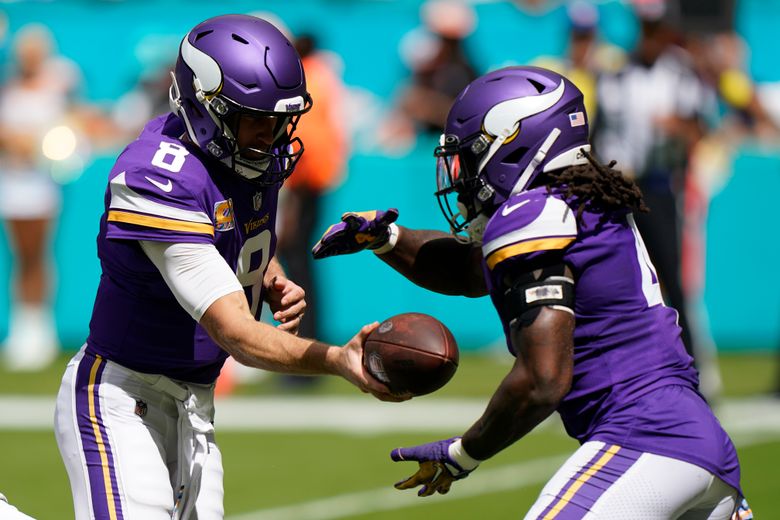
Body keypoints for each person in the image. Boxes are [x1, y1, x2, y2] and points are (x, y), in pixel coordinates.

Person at [312, 66, 748, 518]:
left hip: (647, 438)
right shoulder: (576, 203)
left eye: (469, 156)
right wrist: (387, 239)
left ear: (512, 143)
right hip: (694, 443)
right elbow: (471, 271)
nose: (460, 175)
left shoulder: (532, 214)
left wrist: (464, 454)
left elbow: (544, 380)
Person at [53, 14, 401, 520]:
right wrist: (334, 358)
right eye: (254, 117)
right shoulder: (157, 175)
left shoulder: (247, 155)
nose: (271, 134)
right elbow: (234, 331)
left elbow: (235, 231)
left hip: (194, 402)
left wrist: (270, 271)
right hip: (123, 398)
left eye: (279, 118)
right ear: (204, 105)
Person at [0, 24, 79, 371]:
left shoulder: (57, 87)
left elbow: (65, 130)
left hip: (41, 184)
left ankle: (39, 333)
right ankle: (23, 331)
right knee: (21, 255)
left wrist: (34, 144)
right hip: (12, 184)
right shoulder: (9, 88)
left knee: (37, 254)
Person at [275, 32, 349, 388]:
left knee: (297, 269)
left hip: (305, 182)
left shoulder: (307, 77)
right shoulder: (323, 74)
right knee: (302, 265)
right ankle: (307, 352)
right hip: (316, 179)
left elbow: (304, 141)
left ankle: (303, 354)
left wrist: (290, 203)